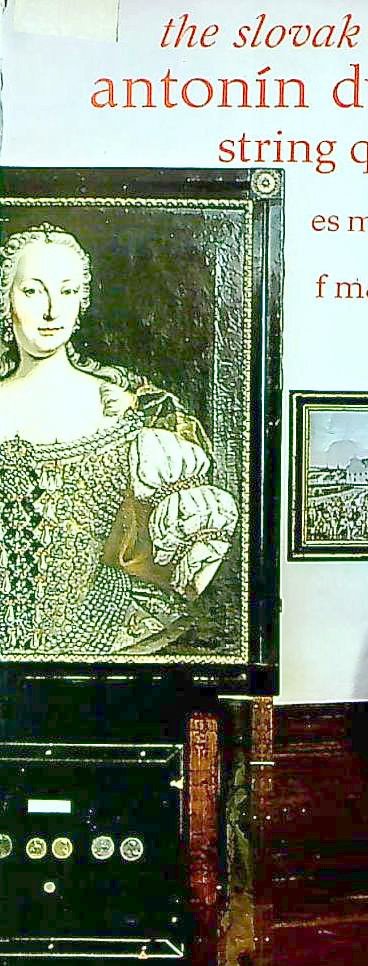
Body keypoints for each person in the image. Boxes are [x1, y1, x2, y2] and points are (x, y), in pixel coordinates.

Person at [0, 223, 237, 658]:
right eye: (33, 291)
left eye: (67, 292)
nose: (51, 311)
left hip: (110, 630)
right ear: (6, 298)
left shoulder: (126, 409)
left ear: (82, 301)